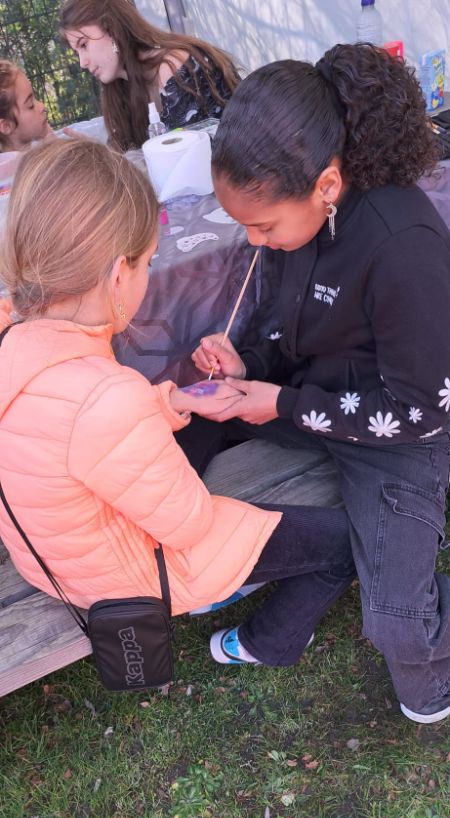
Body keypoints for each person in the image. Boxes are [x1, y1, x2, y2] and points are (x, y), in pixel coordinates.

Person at [0, 138, 355, 673]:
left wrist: (174, 401)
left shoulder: (16, 340)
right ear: (118, 276)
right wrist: (155, 428)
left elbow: (73, 429)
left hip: (55, 554)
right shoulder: (106, 396)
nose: (149, 274)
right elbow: (189, 526)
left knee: (205, 418)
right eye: (148, 262)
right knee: (347, 543)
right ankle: (268, 640)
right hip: (131, 575)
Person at [191, 44, 450, 723]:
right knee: (188, 413)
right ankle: (214, 569)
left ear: (327, 185)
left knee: (400, 632)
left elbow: (421, 411)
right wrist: (247, 366)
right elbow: (289, 328)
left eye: (263, 225)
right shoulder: (306, 219)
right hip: (313, 399)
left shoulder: (405, 247)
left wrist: (283, 402)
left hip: (395, 436)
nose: (254, 242)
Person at [59, 0, 240, 150]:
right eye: (77, 52)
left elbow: (184, 163)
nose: (82, 63)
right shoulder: (120, 91)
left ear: (112, 29)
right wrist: (102, 155)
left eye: (84, 45)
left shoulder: (175, 66)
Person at [0, 60, 51, 153]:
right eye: (31, 105)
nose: (42, 106)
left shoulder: (40, 147)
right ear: (6, 126)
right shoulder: (14, 162)